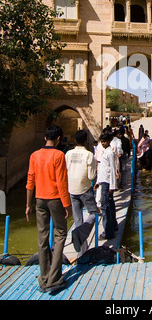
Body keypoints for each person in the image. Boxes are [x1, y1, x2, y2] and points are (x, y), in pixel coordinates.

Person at [25, 124, 72, 294]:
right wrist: (67, 205)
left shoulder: (34, 155)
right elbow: (61, 182)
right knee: (60, 235)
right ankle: (55, 278)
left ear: (45, 137)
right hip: (55, 199)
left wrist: (28, 205)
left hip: (39, 200)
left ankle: (44, 278)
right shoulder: (59, 155)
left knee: (42, 237)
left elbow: (30, 181)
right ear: (59, 139)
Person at [65, 129, 98, 257]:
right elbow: (91, 176)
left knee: (77, 218)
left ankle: (81, 252)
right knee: (94, 213)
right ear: (86, 140)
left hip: (71, 189)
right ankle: (81, 231)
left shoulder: (68, 154)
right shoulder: (88, 155)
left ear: (75, 140)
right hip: (84, 188)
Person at [94, 132, 118, 240]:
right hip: (103, 181)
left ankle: (108, 232)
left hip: (107, 183)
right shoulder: (105, 152)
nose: (102, 143)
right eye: (101, 141)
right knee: (110, 204)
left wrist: (112, 186)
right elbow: (103, 168)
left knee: (105, 206)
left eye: (104, 141)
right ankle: (114, 225)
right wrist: (98, 181)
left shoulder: (109, 153)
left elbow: (112, 170)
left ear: (109, 141)